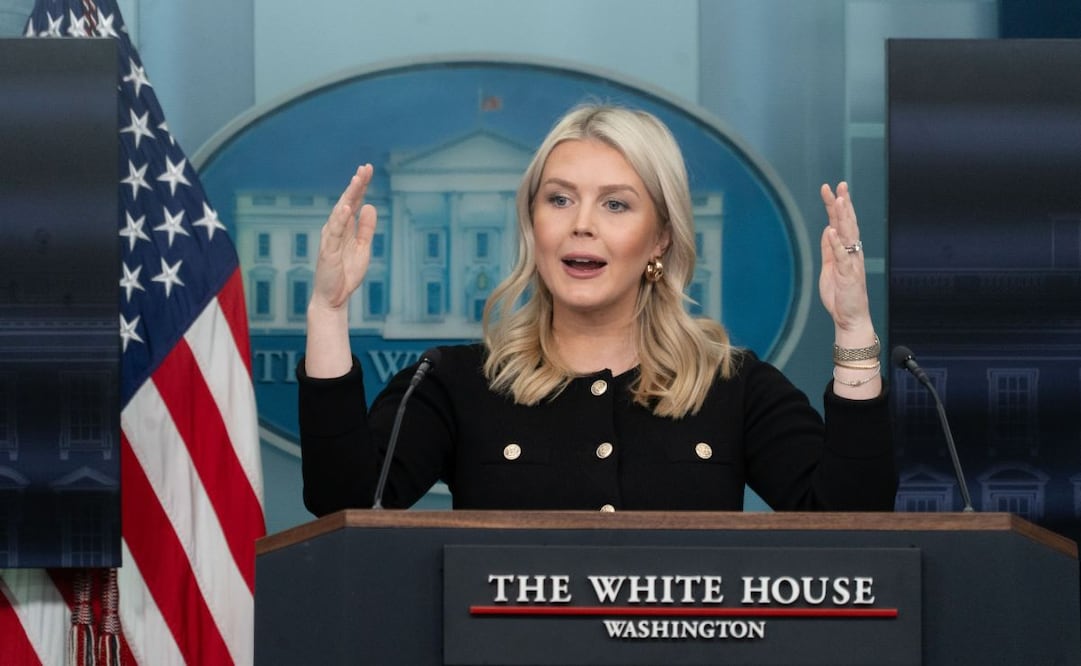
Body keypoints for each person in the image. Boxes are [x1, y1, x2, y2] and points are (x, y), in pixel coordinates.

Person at [298, 104, 896, 514]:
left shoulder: (732, 385)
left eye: (615, 205)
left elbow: (852, 517)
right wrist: (328, 310)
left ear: (661, 237)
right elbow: (345, 503)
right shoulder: (454, 383)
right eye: (559, 200)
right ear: (533, 224)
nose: (581, 224)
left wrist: (853, 328)